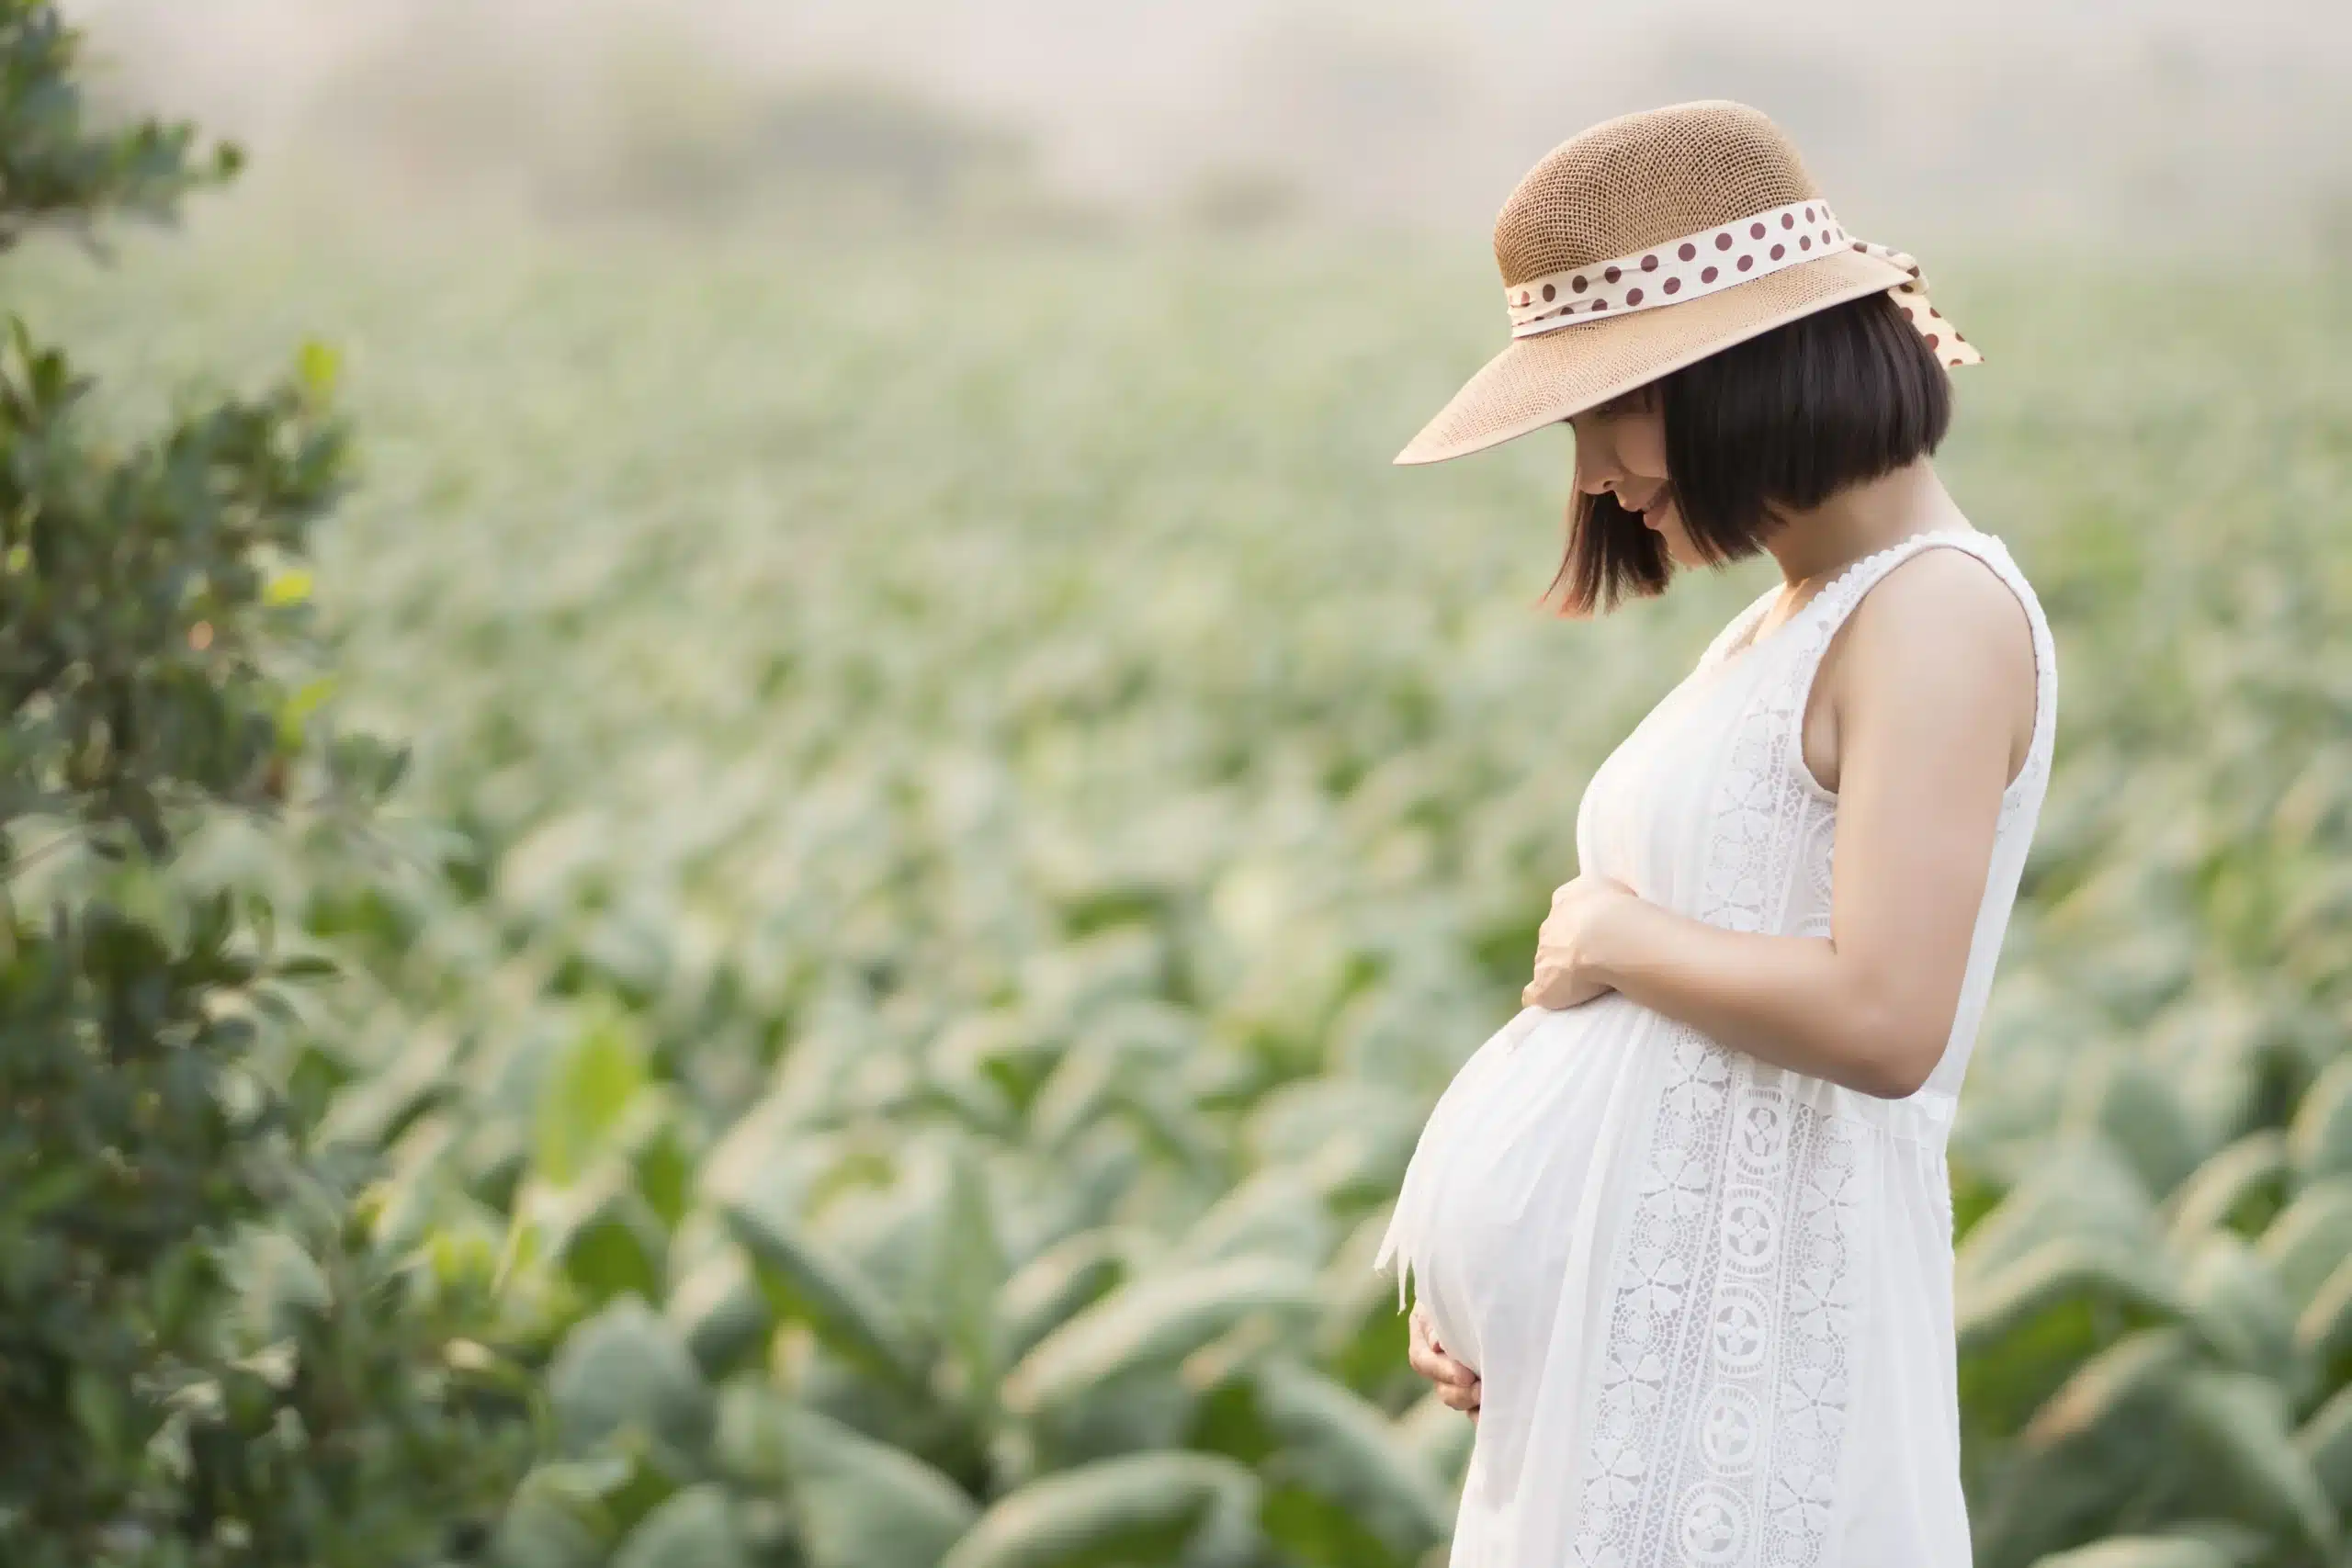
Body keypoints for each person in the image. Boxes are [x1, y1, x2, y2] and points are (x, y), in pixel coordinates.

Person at [1373, 100, 2056, 1568]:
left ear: (1726, 370)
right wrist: (1507, 1279)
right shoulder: (1790, 618)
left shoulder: (1932, 614)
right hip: (1629, 1378)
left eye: (1601, 410)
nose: (1597, 475)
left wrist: (1607, 933)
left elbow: (1884, 1018)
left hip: (1749, 1393)